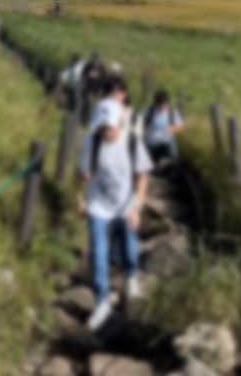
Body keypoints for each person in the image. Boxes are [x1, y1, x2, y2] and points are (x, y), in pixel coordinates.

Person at [77, 76, 152, 331]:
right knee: (98, 252)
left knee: (130, 248)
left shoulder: (132, 141)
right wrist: (80, 198)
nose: (106, 133)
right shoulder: (92, 142)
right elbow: (80, 174)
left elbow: (143, 175)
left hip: (126, 203)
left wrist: (137, 207)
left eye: (109, 128)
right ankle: (102, 301)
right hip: (99, 203)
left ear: (120, 122)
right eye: (102, 128)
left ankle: (131, 275)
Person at [139, 89, 185, 165]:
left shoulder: (172, 112)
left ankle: (175, 168)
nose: (163, 106)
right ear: (156, 103)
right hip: (152, 143)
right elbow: (137, 118)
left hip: (167, 142)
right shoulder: (149, 112)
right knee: (147, 163)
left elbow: (181, 126)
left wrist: (173, 129)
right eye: (160, 104)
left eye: (165, 104)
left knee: (175, 156)